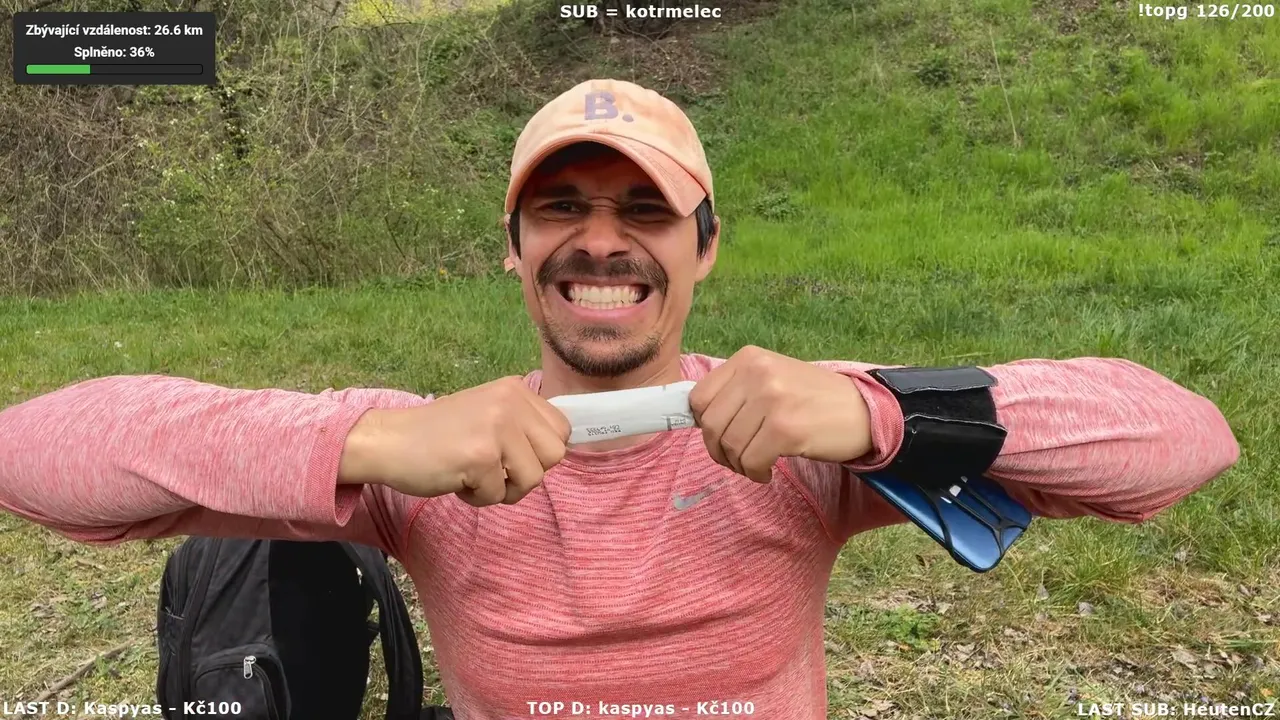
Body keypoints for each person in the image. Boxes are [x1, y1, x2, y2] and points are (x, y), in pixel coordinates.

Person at [0, 79, 1240, 720]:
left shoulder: (801, 431)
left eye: (644, 209)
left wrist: (880, 415)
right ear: (512, 249)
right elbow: (35, 456)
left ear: (705, 247)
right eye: (561, 209)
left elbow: (1183, 439)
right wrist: (370, 442)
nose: (600, 241)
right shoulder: (423, 458)